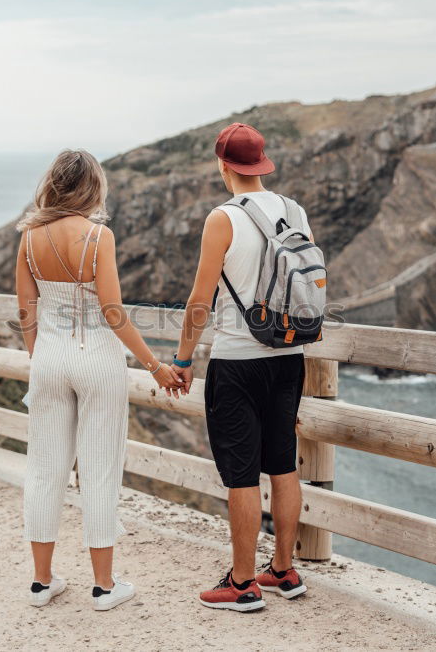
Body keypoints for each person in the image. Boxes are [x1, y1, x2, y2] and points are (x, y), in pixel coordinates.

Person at [15, 149, 184, 611]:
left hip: (49, 361)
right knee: (100, 468)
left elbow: (26, 311)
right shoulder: (98, 237)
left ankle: (41, 582)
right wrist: (155, 366)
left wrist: (41, 357)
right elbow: (112, 312)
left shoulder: (29, 238)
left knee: (45, 468)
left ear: (53, 184)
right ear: (93, 187)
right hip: (98, 363)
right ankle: (104, 587)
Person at [171, 123, 314, 612]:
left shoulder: (223, 218)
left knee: (241, 476)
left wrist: (184, 358)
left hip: (238, 361)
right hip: (291, 357)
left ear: (222, 165)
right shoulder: (295, 211)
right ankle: (284, 569)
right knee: (283, 464)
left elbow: (198, 301)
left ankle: (242, 583)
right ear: (262, 161)